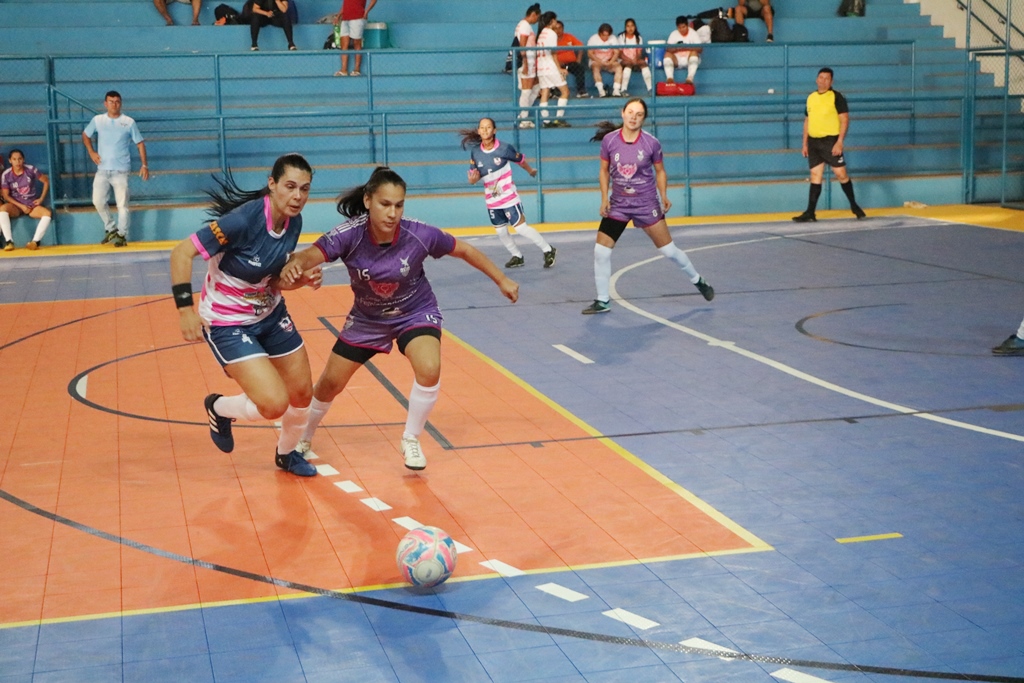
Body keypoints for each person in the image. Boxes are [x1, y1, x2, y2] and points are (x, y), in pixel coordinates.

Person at [277, 166, 519, 471]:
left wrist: (501, 280)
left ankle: (411, 439)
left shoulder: (419, 234)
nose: (393, 213)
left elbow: (466, 250)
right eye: (385, 204)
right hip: (367, 319)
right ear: (368, 201)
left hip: (414, 311)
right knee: (329, 384)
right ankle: (304, 437)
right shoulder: (349, 235)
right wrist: (295, 266)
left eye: (399, 205)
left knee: (429, 368)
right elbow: (309, 255)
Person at [169, 153, 322, 477]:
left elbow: (274, 278)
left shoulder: (294, 222)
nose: (297, 196)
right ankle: (219, 408)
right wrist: (185, 310)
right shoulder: (241, 221)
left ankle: (287, 454)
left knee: (302, 394)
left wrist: (300, 279)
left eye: (305, 189)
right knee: (273, 404)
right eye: (290, 186)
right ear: (272, 184)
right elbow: (182, 252)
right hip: (228, 322)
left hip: (270, 313)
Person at [582, 98, 714, 314]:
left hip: (646, 204)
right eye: (630, 112)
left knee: (669, 251)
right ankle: (602, 300)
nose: (633, 117)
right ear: (622, 113)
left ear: (644, 118)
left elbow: (660, 171)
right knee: (601, 251)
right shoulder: (609, 141)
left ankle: (697, 279)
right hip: (618, 205)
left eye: (639, 114)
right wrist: (604, 198)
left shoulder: (651, 143)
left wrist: (663, 195)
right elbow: (604, 170)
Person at [461, 117, 556, 269]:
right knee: (501, 231)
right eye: (482, 128)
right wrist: (472, 181)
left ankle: (548, 249)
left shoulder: (504, 149)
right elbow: (474, 174)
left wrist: (530, 170)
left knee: (520, 228)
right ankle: (517, 256)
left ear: (494, 130)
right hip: (492, 199)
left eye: (488, 127)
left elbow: (520, 160)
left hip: (509, 197)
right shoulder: (476, 152)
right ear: (478, 131)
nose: (485, 130)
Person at [793, 67, 866, 222]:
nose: (823, 80)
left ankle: (854, 205)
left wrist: (840, 142)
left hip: (830, 141)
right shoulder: (811, 97)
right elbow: (807, 121)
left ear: (831, 81)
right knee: (815, 175)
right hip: (814, 142)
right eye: (821, 77)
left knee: (841, 174)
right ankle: (810, 212)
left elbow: (844, 120)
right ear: (816, 79)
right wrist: (804, 143)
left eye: (827, 78)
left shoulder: (836, 97)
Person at [81, 91, 150, 248]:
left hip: (121, 171)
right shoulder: (98, 120)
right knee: (97, 201)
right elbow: (85, 135)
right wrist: (91, 152)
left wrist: (144, 165)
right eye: (111, 101)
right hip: (102, 170)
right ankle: (111, 228)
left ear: (121, 103)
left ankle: (122, 235)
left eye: (117, 101)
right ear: (105, 103)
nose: (114, 104)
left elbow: (140, 143)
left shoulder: (128, 122)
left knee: (122, 205)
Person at [0, 150, 52, 251]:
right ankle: (9, 241)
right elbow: (6, 196)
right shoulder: (6, 175)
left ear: (23, 159)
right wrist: (21, 206)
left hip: (31, 205)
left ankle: (35, 242)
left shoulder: (31, 169)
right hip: (16, 205)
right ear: (10, 161)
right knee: (2, 209)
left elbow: (46, 181)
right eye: (14, 159)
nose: (17, 162)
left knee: (47, 213)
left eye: (19, 159)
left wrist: (41, 199)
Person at [535, 11, 570, 128]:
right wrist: (559, 68)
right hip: (550, 67)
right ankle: (558, 119)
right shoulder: (551, 33)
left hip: (541, 67)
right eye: (555, 20)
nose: (556, 22)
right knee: (565, 91)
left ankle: (545, 120)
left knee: (545, 92)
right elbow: (553, 53)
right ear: (551, 21)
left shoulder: (541, 33)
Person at [514, 4, 542, 129]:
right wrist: (525, 63)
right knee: (526, 91)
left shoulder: (523, 25)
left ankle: (522, 114)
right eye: (537, 17)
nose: (537, 20)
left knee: (536, 87)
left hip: (530, 61)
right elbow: (522, 47)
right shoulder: (525, 26)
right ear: (533, 14)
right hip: (528, 61)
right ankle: (524, 120)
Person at [333, 0, 378, 76]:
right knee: (343, 44)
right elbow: (345, 4)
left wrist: (366, 11)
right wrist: (339, 15)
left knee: (356, 43)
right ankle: (343, 70)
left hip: (358, 17)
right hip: (345, 18)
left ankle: (357, 69)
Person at [664, 16, 706, 88]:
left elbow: (700, 49)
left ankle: (690, 78)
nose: (682, 30)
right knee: (667, 55)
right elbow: (668, 49)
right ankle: (670, 78)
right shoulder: (673, 34)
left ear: (687, 25)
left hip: (689, 58)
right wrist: (677, 48)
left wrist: (687, 47)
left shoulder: (693, 34)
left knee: (694, 53)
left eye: (683, 27)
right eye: (679, 28)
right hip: (677, 59)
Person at [553, 20, 588, 98]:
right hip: (557, 64)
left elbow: (581, 46)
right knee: (557, 72)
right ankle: (556, 93)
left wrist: (578, 59)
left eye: (560, 28)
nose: (558, 30)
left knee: (580, 68)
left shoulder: (569, 36)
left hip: (571, 63)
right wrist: (557, 62)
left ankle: (581, 91)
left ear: (563, 28)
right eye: (555, 28)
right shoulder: (551, 39)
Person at [617, 18, 652, 96]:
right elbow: (620, 54)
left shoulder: (638, 38)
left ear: (635, 27)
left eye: (632, 26)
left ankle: (650, 89)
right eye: (628, 26)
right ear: (625, 27)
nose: (630, 28)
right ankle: (623, 90)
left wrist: (635, 59)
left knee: (643, 63)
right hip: (624, 60)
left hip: (635, 59)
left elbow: (639, 53)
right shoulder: (621, 37)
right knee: (628, 64)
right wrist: (630, 60)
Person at [587, 23, 622, 98]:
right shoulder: (593, 39)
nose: (606, 37)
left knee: (618, 67)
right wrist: (601, 62)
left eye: (607, 35)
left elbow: (616, 52)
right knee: (595, 67)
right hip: (597, 61)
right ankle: (601, 91)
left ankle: (616, 90)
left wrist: (610, 62)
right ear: (599, 33)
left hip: (610, 61)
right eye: (604, 35)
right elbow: (590, 54)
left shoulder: (613, 38)